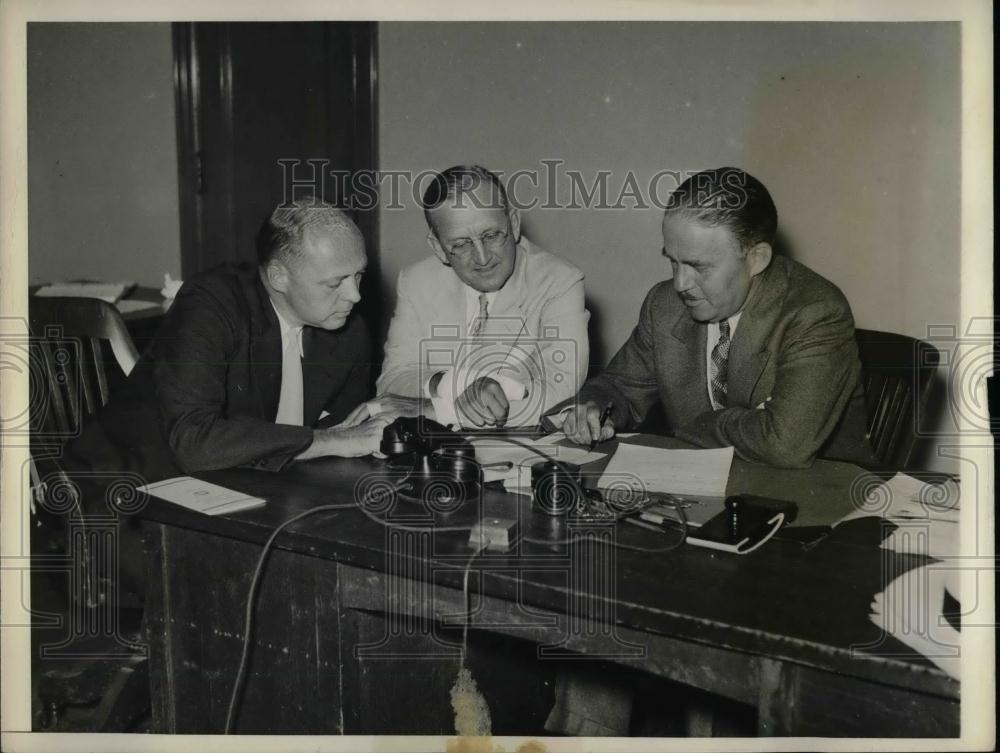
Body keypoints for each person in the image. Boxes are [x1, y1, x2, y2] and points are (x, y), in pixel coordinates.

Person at [557, 166, 874, 469]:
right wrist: (594, 407)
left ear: (756, 258)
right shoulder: (664, 305)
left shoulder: (815, 312)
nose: (680, 284)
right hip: (703, 494)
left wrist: (694, 427)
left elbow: (784, 443)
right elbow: (619, 387)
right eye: (674, 262)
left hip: (816, 501)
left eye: (700, 266)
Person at [65, 199, 397, 484]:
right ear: (279, 276)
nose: (354, 295)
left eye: (359, 275)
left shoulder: (347, 327)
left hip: (242, 484)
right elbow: (194, 441)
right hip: (129, 483)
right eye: (334, 283)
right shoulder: (211, 304)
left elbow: (343, 435)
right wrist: (325, 440)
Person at [372, 165, 589, 429]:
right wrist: (454, 383)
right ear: (439, 248)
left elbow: (561, 394)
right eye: (461, 245)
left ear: (515, 223)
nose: (483, 258)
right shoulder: (416, 281)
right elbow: (392, 380)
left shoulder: (560, 281)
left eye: (491, 235)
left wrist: (440, 410)